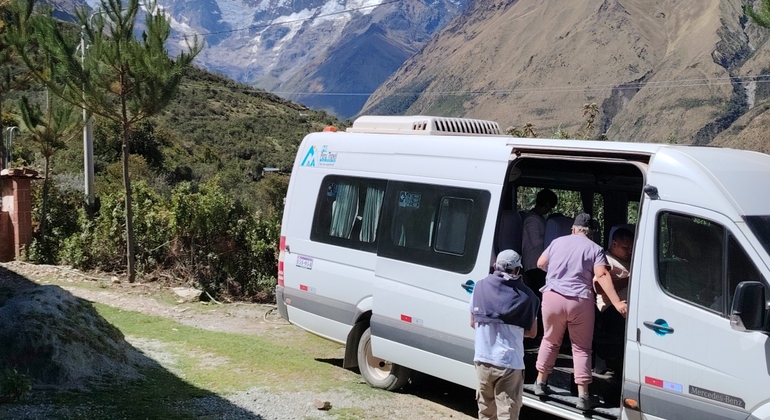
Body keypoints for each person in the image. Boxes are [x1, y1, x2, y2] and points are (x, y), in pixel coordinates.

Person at [532, 213, 627, 411]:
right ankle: (583, 396)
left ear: (573, 229)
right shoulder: (595, 248)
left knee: (549, 340)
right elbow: (602, 274)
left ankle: (540, 383)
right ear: (590, 233)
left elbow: (540, 263)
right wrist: (617, 302)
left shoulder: (557, 242)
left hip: (552, 297)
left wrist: (557, 274)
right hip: (580, 300)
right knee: (581, 348)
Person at [470, 249, 540, 420]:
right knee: (507, 413)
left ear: (495, 266)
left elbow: (473, 322)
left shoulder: (479, 287)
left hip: (483, 359)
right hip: (509, 362)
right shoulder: (528, 297)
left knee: (486, 412)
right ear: (518, 270)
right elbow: (532, 332)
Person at [593, 227, 633, 376]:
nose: (629, 251)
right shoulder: (605, 260)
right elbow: (598, 287)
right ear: (614, 244)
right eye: (625, 247)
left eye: (631, 247)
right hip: (610, 307)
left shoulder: (630, 259)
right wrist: (629, 280)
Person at [521, 189, 557, 345]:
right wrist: (553, 239)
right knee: (538, 299)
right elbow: (536, 242)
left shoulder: (541, 219)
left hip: (540, 264)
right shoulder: (532, 220)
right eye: (549, 206)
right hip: (533, 264)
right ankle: (536, 334)